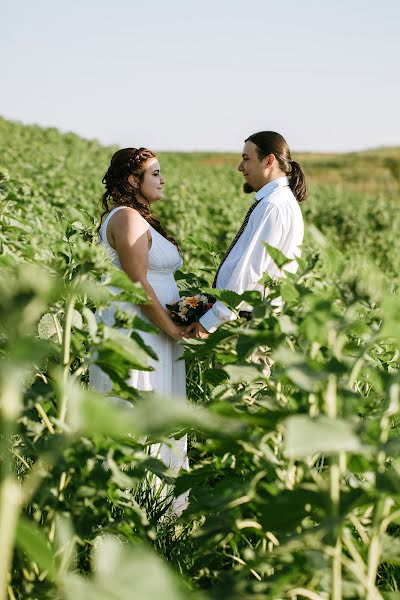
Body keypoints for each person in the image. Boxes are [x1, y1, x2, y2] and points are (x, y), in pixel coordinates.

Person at [89, 147, 189, 514]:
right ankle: (133, 509)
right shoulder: (127, 218)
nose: (163, 180)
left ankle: (162, 510)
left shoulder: (137, 217)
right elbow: (138, 285)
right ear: (134, 181)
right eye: (156, 174)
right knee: (138, 405)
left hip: (155, 327)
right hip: (138, 330)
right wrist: (173, 330)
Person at [188, 130, 307, 338]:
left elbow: (250, 270)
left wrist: (210, 322)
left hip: (249, 326)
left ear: (269, 160)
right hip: (250, 320)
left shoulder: (273, 205)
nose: (240, 167)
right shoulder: (277, 201)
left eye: (246, 159)